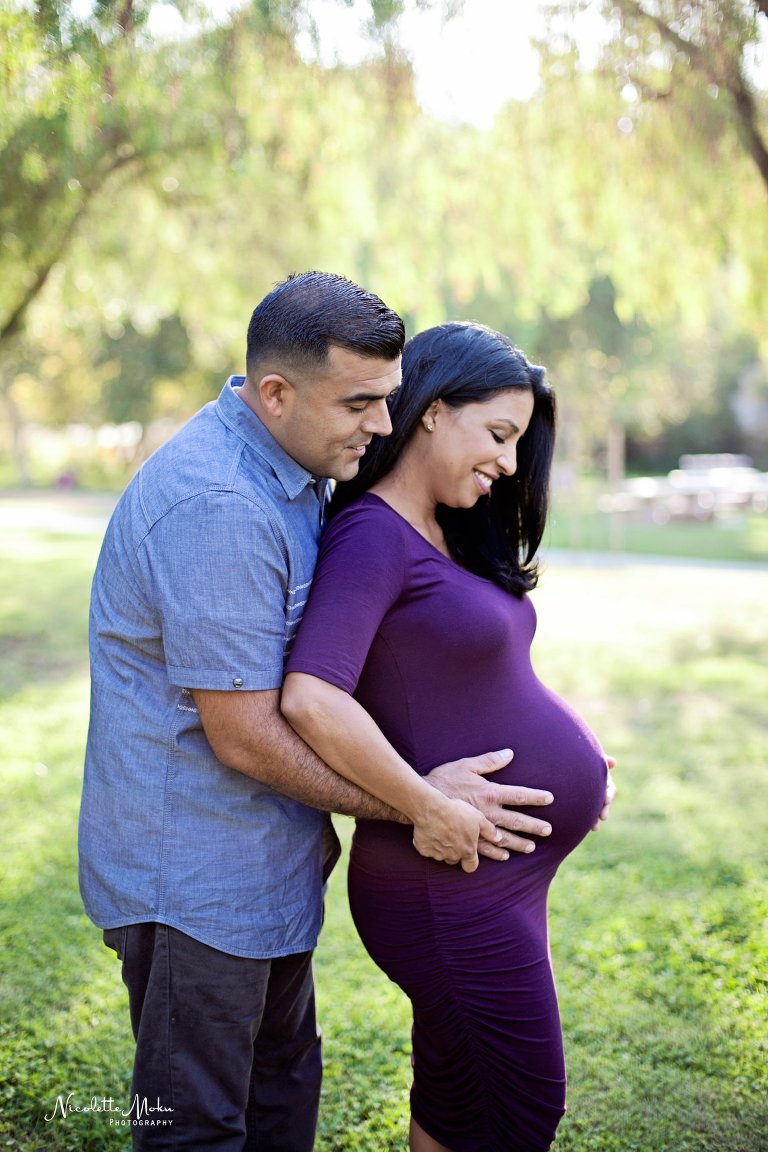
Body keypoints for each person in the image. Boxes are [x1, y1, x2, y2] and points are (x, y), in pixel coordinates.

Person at [78, 274, 558, 1152]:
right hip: (193, 882)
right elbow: (246, 733)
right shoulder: (218, 506)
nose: (383, 424)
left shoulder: (293, 473)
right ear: (275, 393)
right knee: (198, 1129)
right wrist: (420, 802)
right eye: (362, 403)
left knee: (279, 1100)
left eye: (390, 398)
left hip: (265, 867)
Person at [281, 320, 617, 1152]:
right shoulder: (372, 536)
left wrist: (573, 758)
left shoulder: (446, 533)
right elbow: (312, 698)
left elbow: (463, 672)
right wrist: (425, 801)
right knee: (522, 1107)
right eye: (497, 434)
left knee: (459, 1094)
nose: (508, 462)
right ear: (431, 411)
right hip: (447, 881)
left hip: (489, 880)